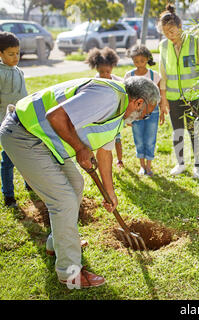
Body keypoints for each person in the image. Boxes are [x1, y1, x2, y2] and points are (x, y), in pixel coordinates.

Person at [0, 76, 160, 288]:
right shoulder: (108, 97)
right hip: (24, 133)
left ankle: (56, 244)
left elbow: (105, 153)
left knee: (75, 184)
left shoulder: (119, 111)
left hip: (45, 141)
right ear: (139, 102)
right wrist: (80, 148)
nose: (145, 117)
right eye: (147, 112)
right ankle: (70, 273)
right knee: (63, 200)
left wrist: (110, 193)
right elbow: (55, 116)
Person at [158, 3, 199, 179]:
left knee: (194, 131)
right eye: (166, 32)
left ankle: (198, 166)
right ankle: (181, 163)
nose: (170, 35)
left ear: (180, 27)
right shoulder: (163, 46)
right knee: (177, 131)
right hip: (173, 97)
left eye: (173, 31)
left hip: (194, 96)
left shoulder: (194, 42)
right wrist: (164, 98)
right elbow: (163, 73)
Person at [0, 31, 29, 208]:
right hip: (5, 124)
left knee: (26, 155)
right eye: (11, 54)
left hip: (21, 122)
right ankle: (9, 195)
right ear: (0, 53)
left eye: (17, 53)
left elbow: (24, 97)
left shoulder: (20, 72)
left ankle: (30, 185)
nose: (15, 57)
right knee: (8, 158)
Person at [124, 45, 161, 176]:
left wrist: (162, 110)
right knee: (138, 138)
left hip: (153, 112)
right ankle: (142, 165)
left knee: (150, 138)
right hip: (136, 113)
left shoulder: (154, 75)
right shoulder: (129, 75)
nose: (139, 64)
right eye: (136, 61)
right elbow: (126, 97)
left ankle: (149, 166)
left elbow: (159, 95)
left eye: (142, 61)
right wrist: (128, 117)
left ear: (147, 59)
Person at [86, 47, 125, 169]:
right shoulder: (93, 82)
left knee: (117, 139)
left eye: (107, 72)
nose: (104, 75)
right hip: (99, 118)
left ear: (112, 68)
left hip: (114, 117)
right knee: (101, 144)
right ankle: (100, 162)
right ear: (96, 68)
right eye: (101, 72)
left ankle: (119, 160)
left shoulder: (119, 82)